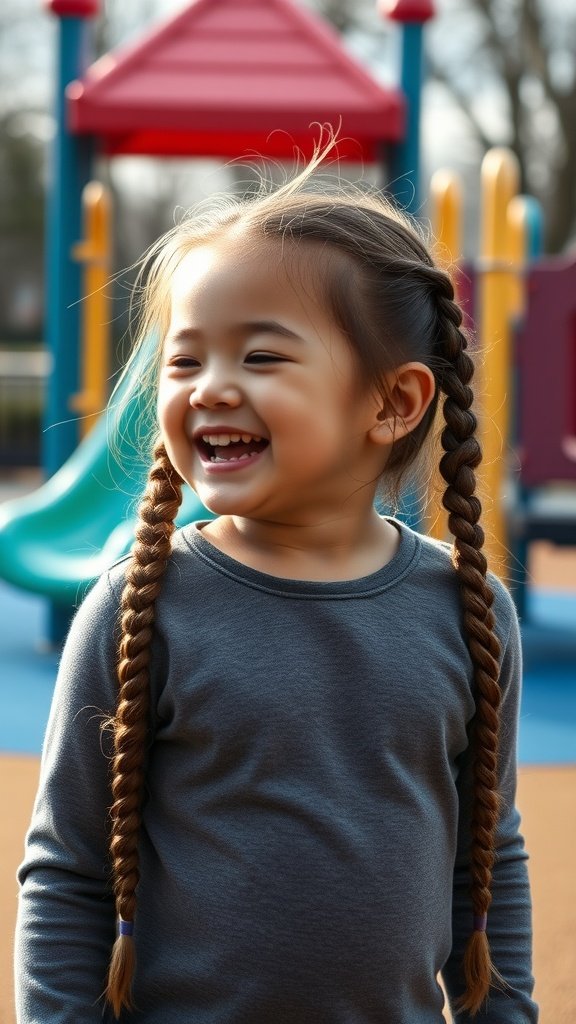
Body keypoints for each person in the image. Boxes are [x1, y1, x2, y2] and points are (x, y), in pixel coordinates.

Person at [15, 144, 537, 1023]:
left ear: (393, 404)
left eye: (260, 357)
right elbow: (68, 872)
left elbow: (490, 858)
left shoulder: (468, 611)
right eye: (185, 363)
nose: (211, 389)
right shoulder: (143, 608)